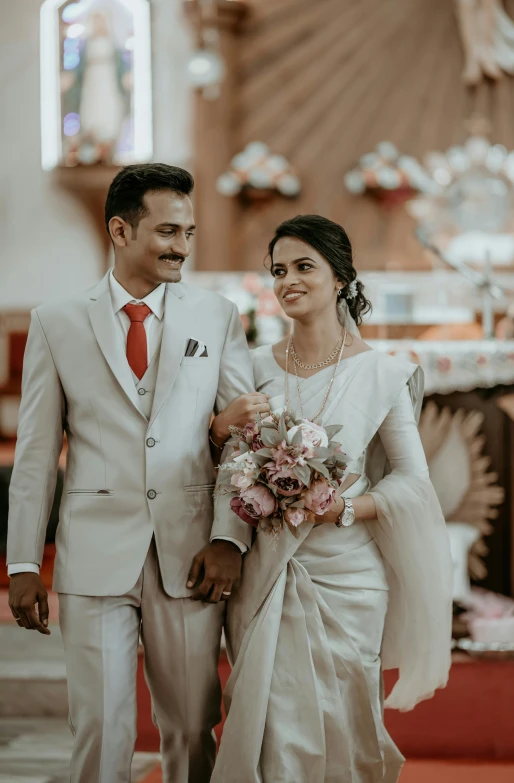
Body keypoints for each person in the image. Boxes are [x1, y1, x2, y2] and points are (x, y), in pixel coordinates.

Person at [6, 163, 269, 783]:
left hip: (193, 553)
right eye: (167, 231)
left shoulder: (217, 315)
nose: (182, 246)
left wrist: (230, 536)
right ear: (120, 231)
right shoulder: (57, 321)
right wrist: (21, 562)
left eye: (189, 232)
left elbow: (242, 437)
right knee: (99, 726)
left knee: (191, 725)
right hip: (94, 551)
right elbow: (37, 454)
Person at [209, 215, 453, 782]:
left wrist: (340, 507)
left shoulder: (382, 373)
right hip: (266, 571)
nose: (287, 280)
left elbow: (413, 483)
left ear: (340, 277)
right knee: (273, 724)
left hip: (346, 575)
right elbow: (226, 466)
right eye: (277, 270)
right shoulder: (253, 369)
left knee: (344, 718)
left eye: (303, 267)